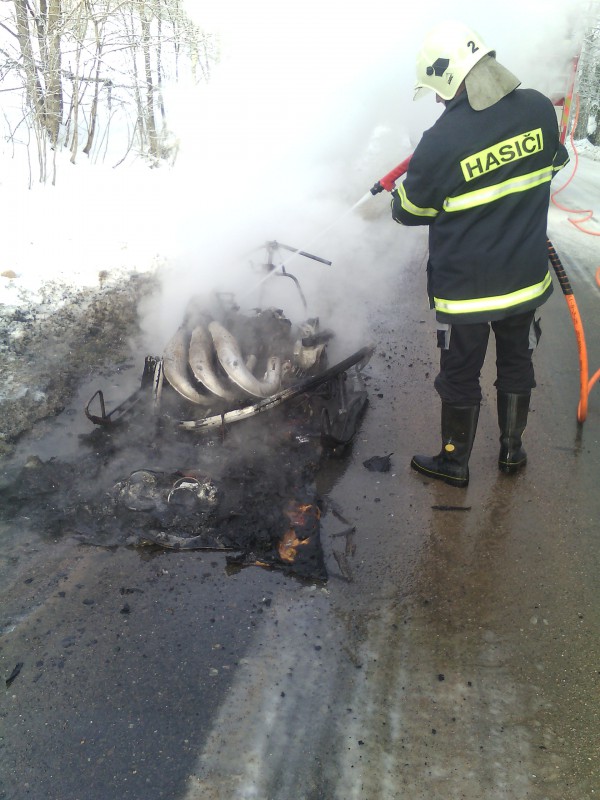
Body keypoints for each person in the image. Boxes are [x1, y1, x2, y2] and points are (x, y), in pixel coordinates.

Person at [390, 20, 570, 488]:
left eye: (438, 90)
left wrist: (399, 192)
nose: (437, 101)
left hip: (466, 291)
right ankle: (512, 452)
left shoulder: (442, 139)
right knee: (517, 362)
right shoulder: (538, 109)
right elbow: (553, 163)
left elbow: (410, 211)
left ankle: (454, 463)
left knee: (459, 374)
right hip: (524, 279)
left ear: (453, 77)